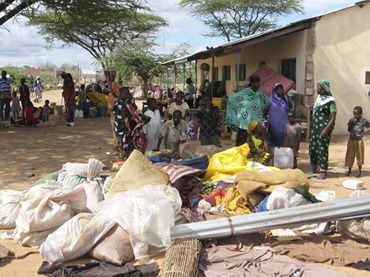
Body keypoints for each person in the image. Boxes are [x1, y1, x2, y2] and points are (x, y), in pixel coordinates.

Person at [225, 75, 270, 146]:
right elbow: (232, 99)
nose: (258, 85)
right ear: (252, 83)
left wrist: (264, 113)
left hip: (256, 124)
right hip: (245, 123)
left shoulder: (260, 93)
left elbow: (267, 103)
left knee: (255, 143)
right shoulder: (245, 92)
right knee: (242, 143)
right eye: (257, 83)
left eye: (259, 83)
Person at [308, 80, 337, 179]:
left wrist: (326, 129)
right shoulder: (319, 99)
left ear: (324, 89)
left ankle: (323, 171)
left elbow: (333, 117)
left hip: (323, 128)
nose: (317, 89)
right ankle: (314, 168)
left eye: (318, 87)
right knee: (313, 147)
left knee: (322, 148)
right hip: (315, 128)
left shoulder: (330, 101)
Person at [345, 106, 370, 177]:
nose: (355, 115)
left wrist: (364, 133)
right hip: (351, 140)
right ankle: (349, 170)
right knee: (350, 155)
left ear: (361, 113)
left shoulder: (364, 121)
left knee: (359, 156)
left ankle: (359, 172)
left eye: (357, 114)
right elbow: (349, 129)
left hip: (359, 140)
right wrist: (350, 123)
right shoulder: (352, 120)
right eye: (354, 114)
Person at [268, 83, 289, 147]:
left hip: (283, 123)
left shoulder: (285, 99)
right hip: (274, 125)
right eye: (278, 89)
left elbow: (289, 107)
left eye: (281, 89)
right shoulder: (271, 101)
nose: (280, 91)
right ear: (275, 91)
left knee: (284, 139)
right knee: (274, 142)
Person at [108, 82, 121, 147]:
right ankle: (116, 145)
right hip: (114, 116)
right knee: (115, 130)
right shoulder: (111, 95)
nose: (116, 88)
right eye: (115, 87)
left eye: (117, 87)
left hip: (121, 116)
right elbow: (110, 107)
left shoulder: (121, 94)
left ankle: (120, 144)